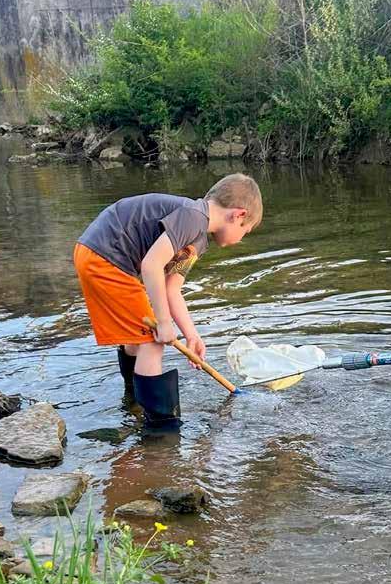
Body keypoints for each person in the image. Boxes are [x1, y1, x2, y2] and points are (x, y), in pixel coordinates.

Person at [73, 174, 263, 429]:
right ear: (238, 215)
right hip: (106, 257)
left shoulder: (198, 237)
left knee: (138, 337)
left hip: (96, 254)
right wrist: (164, 323)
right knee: (153, 342)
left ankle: (134, 403)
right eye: (245, 231)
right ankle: (161, 431)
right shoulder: (193, 217)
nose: (241, 239)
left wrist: (191, 335)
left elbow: (171, 288)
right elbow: (151, 265)